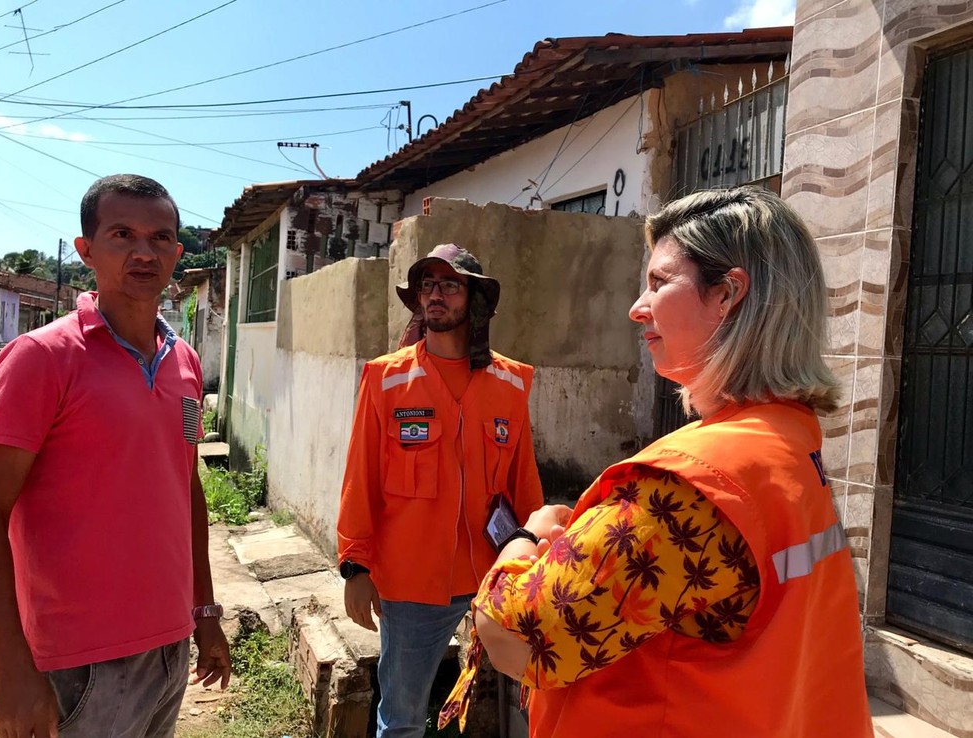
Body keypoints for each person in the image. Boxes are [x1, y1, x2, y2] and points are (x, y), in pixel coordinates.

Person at [440, 187, 874, 737]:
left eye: (660, 283)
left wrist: (523, 539)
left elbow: (519, 637)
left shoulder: (692, 484)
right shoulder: (790, 439)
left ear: (729, 294)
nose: (636, 307)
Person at [0, 174, 231, 738]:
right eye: (122, 234)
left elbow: (185, 486)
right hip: (76, 664)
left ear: (178, 250)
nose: (144, 252)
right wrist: (11, 670)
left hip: (169, 648)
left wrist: (204, 613)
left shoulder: (185, 363)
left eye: (161, 237)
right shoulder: (42, 358)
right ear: (86, 250)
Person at [338, 243, 544, 737]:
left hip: (494, 575)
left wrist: (538, 558)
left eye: (450, 284)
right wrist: (355, 565)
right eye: (428, 285)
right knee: (403, 717)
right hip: (412, 583)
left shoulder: (512, 382)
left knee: (527, 698)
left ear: (474, 299)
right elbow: (360, 476)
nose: (436, 294)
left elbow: (524, 481)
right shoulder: (386, 379)